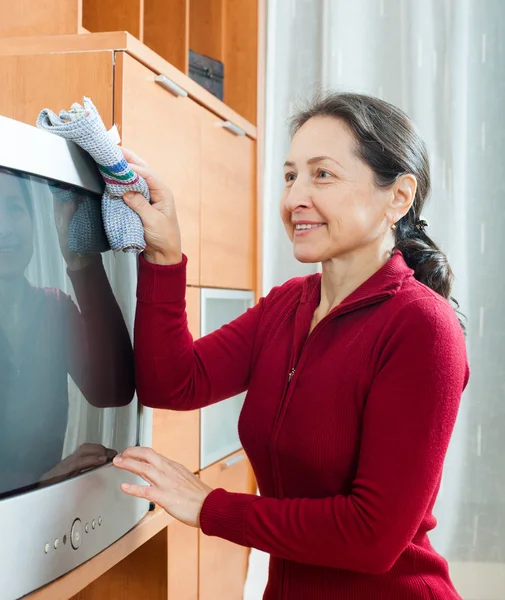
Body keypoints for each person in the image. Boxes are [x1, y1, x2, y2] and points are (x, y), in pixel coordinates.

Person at [113, 92, 469, 600]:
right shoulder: (286, 307)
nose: (294, 198)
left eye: (322, 174)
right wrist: (165, 254)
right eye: (290, 176)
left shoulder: (421, 327)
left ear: (398, 196)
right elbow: (173, 381)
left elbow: (372, 537)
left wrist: (210, 505)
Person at [0, 169, 134, 497]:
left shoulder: (54, 309)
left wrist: (79, 261)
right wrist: (44, 480)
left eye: (15, 209)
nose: (5, 228)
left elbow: (113, 391)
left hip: (46, 514)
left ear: (33, 222)